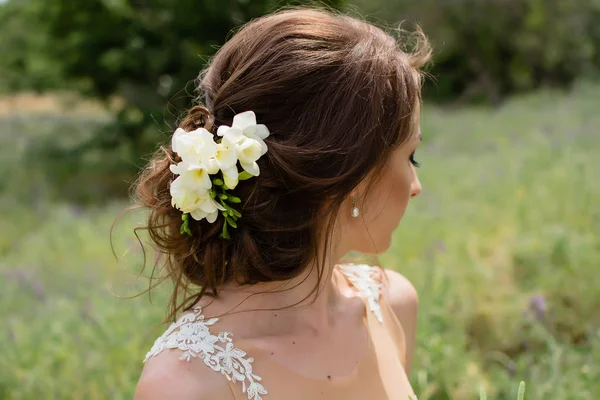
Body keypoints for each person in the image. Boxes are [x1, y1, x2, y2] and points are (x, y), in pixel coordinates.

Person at [133, 7, 430, 400]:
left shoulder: (394, 304)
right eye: (411, 158)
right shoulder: (186, 384)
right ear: (354, 175)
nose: (416, 185)